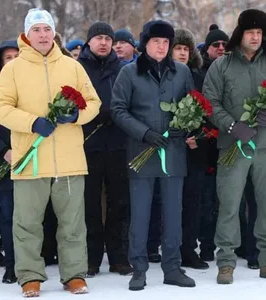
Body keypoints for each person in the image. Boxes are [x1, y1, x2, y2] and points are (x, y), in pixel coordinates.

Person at [0, 8, 101, 296]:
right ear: (26, 35)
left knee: (73, 223)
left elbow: (94, 102)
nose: (42, 35)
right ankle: (29, 276)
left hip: (69, 160)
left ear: (54, 33)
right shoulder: (13, 68)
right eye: (36, 30)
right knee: (27, 223)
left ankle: (74, 275)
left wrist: (75, 116)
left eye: (46, 29)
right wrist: (32, 122)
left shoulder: (71, 66)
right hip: (30, 159)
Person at [203, 9, 266, 284]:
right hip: (232, 146)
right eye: (250, 32)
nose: (255, 37)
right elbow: (210, 102)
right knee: (229, 205)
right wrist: (232, 127)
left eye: (260, 33)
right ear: (240, 34)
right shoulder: (221, 65)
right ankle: (226, 263)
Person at [111, 20, 196, 291]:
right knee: (141, 214)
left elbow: (191, 106)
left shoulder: (181, 72)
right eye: (156, 41)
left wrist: (187, 126)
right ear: (145, 43)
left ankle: (172, 267)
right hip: (141, 152)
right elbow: (118, 109)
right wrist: (144, 133)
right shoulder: (129, 73)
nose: (161, 46)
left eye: (166, 42)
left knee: (173, 213)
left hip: (173, 153)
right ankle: (139, 269)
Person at [78, 21, 132, 277]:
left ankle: (119, 257)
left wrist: (119, 115)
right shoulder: (77, 69)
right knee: (89, 205)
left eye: (108, 39)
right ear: (89, 41)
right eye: (98, 38)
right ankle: (91, 258)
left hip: (119, 144)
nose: (103, 42)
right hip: (87, 145)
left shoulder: (123, 69)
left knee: (120, 203)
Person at [170, 28, 218, 270]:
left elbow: (208, 110)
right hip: (168, 147)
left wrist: (197, 135)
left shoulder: (199, 76)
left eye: (186, 49)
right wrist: (179, 135)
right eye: (177, 48)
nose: (182, 53)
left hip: (196, 149)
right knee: (170, 203)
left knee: (193, 202)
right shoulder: (163, 77)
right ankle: (168, 248)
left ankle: (189, 249)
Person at [0, 39, 19, 284]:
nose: (13, 62)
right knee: (8, 215)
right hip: (2, 162)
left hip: (29, 156)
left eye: (17, 56)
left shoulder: (29, 87)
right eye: (7, 58)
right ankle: (11, 265)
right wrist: (3, 151)